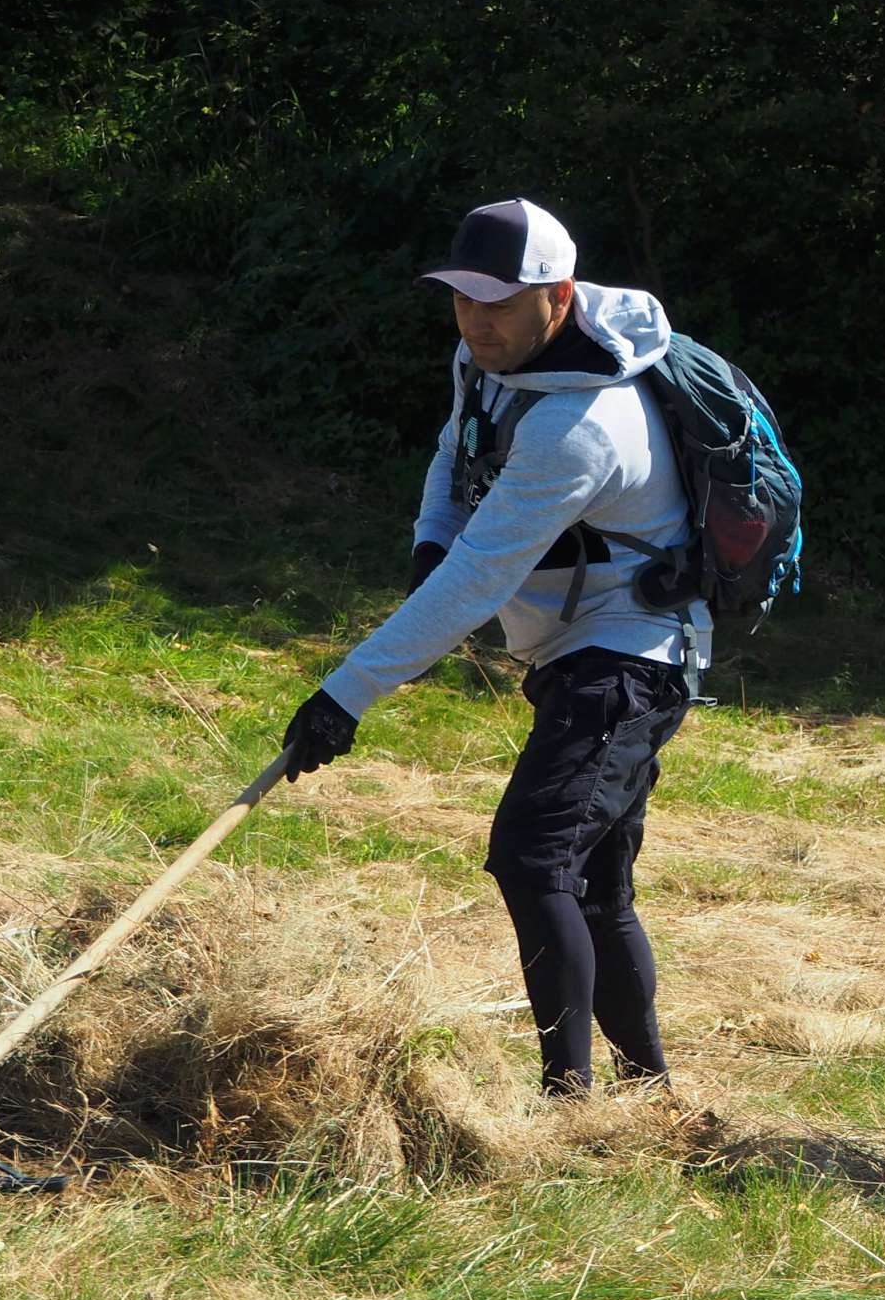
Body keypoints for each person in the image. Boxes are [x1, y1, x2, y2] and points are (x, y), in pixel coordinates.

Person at [277, 197, 706, 1098]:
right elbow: (454, 451)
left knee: (533, 856)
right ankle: (650, 1093)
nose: (477, 321)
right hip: (572, 650)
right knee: (592, 883)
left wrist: (345, 696)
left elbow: (476, 583)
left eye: (499, 303)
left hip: (633, 655)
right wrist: (429, 538)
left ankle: (571, 1101)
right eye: (463, 300)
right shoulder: (490, 358)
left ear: (557, 297)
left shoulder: (578, 425)